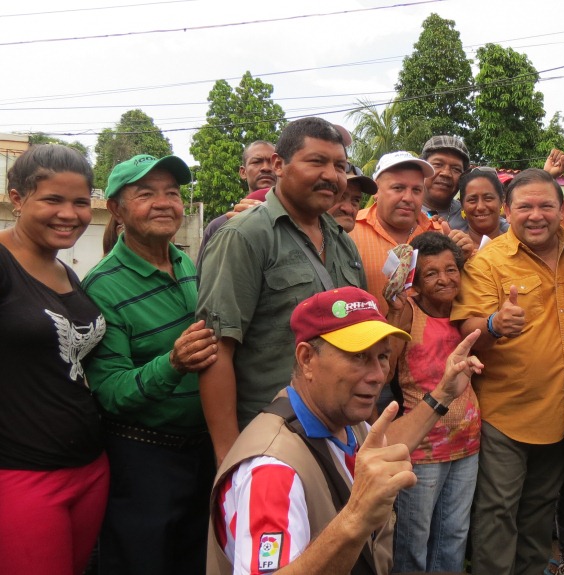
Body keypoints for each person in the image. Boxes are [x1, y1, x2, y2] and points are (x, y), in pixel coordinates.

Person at [208, 286, 484, 574]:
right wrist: (357, 518)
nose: (378, 375)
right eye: (358, 357)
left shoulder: (336, 421)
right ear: (306, 360)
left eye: (382, 357)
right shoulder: (272, 471)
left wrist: (442, 394)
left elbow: (384, 448)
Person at [196, 117, 366, 465]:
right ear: (278, 165)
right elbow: (216, 352)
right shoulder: (244, 236)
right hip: (268, 440)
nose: (331, 176)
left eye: (339, 166)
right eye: (316, 161)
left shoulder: (342, 242)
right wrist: (231, 459)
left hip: (335, 436)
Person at [451, 168, 564, 575]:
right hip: (505, 414)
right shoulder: (489, 261)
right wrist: (493, 325)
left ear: (562, 209)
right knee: (497, 513)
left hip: (562, 414)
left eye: (546, 205)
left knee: (538, 514)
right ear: (507, 212)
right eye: (524, 206)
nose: (536, 215)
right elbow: (467, 327)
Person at [81, 154, 216, 574]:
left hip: (201, 452)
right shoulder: (102, 286)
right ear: (117, 209)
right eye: (146, 194)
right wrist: (172, 363)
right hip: (143, 461)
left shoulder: (186, 263)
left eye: (171, 193)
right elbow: (110, 392)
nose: (164, 203)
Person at [0, 144, 108, 575]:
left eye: (80, 202)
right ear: (17, 199)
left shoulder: (66, 271)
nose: (70, 214)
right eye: (53, 200)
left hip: (90, 470)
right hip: (21, 476)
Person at [385, 232, 481, 573]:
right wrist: (394, 317)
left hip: (468, 444)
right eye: (431, 273)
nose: (444, 279)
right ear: (416, 282)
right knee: (414, 540)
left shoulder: (466, 312)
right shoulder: (408, 312)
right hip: (423, 448)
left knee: (454, 536)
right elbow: (386, 370)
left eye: (451, 269)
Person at [352, 151, 471, 318]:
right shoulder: (350, 231)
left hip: (431, 343)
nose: (408, 198)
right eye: (398, 188)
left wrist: (464, 260)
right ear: (376, 191)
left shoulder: (440, 233)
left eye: (416, 190)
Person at [198, 140, 278, 259]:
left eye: (272, 162)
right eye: (256, 162)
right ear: (243, 172)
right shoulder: (219, 226)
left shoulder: (300, 220)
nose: (266, 168)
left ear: (280, 168)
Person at [457, 167, 509, 247]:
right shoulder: (456, 249)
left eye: (488, 198)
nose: (480, 207)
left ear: (501, 201)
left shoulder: (518, 245)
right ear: (462, 204)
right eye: (472, 200)